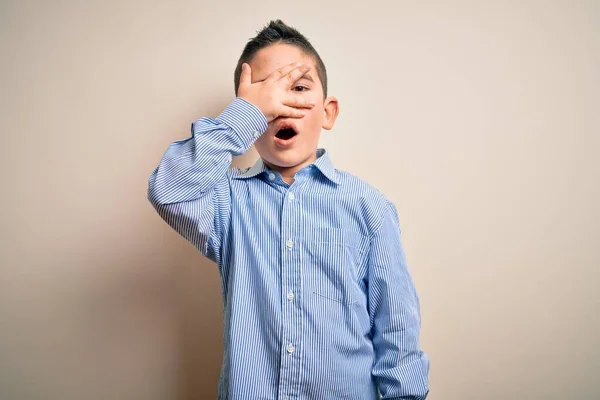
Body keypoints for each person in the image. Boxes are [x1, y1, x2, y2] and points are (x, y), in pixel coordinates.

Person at [148, 19, 429, 400]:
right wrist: (244, 115)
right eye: (266, 94)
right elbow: (168, 190)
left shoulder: (369, 208)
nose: (282, 106)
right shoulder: (228, 202)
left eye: (297, 89)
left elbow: (396, 333)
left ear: (328, 112)